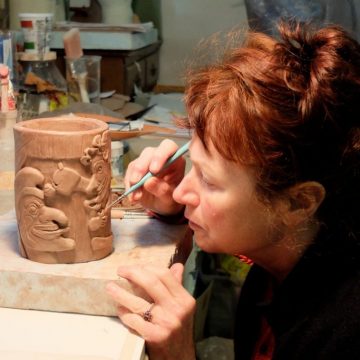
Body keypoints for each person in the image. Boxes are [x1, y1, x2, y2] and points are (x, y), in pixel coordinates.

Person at [106, 20, 360, 359]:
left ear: (299, 202)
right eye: (191, 162)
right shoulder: (285, 255)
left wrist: (179, 355)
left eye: (209, 181)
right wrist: (171, 207)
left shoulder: (341, 332)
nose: (183, 192)